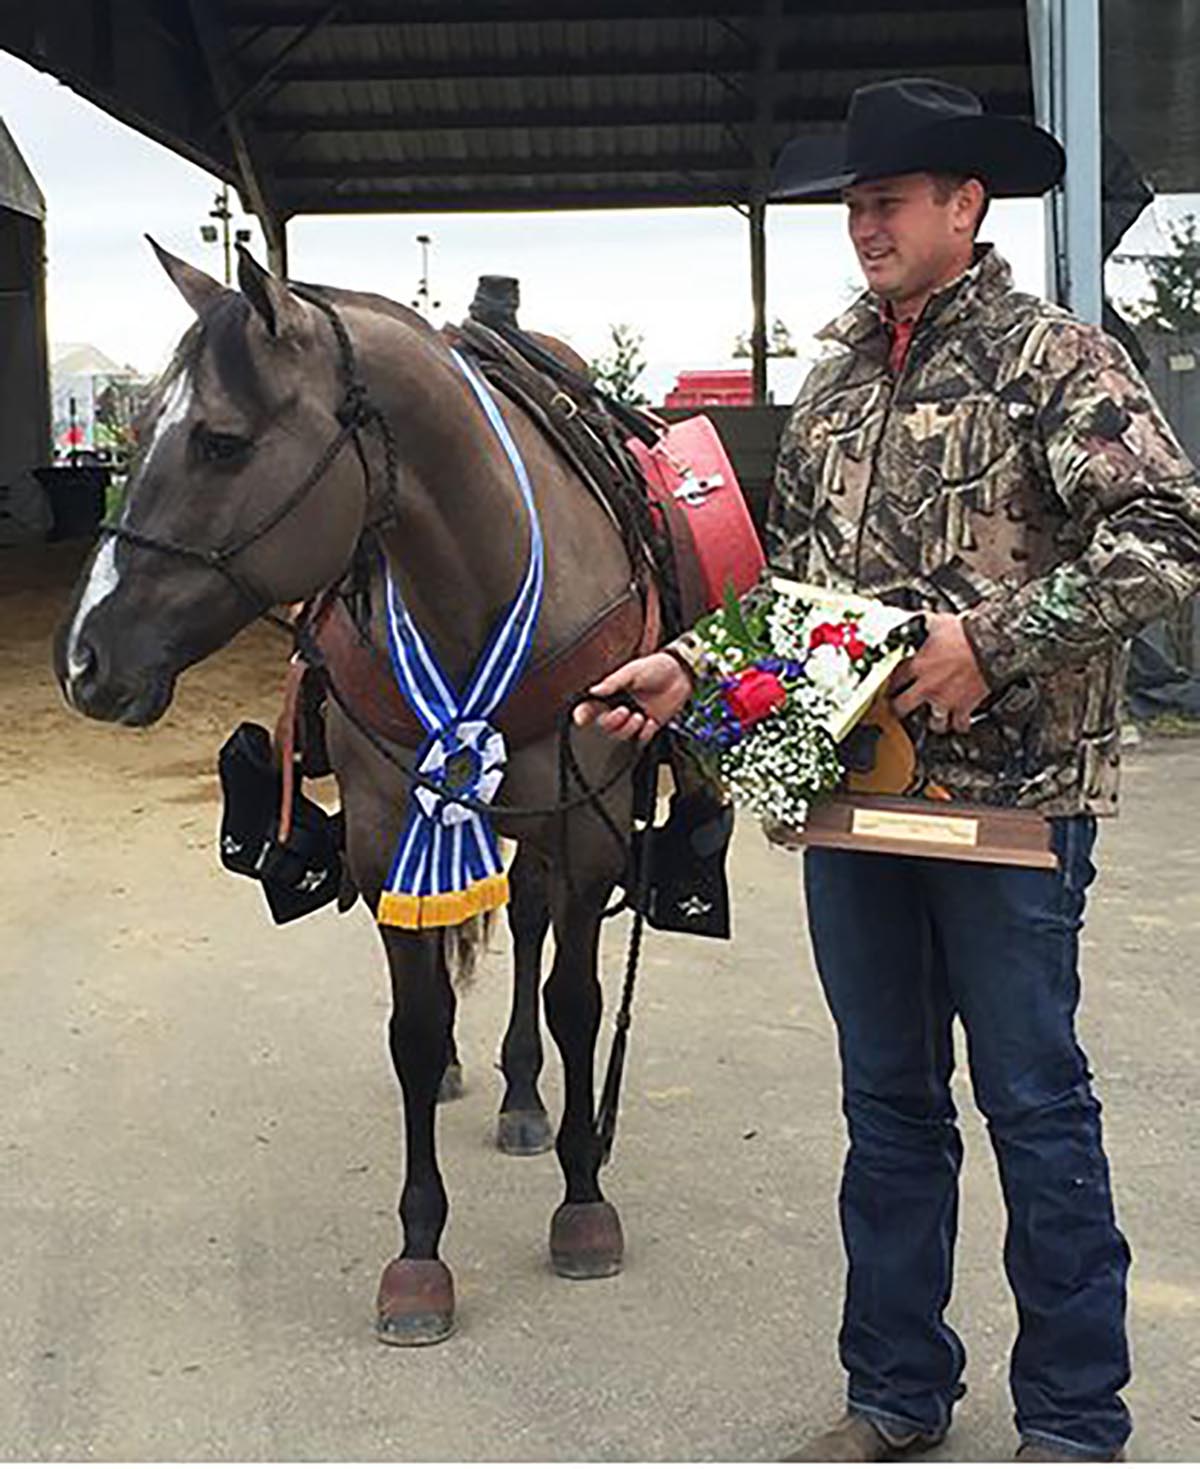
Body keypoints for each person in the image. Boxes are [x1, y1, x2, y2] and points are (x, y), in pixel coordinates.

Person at [574, 78, 1200, 1462]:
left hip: (1012, 806)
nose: (864, 224)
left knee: (1034, 1098)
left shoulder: (1056, 361)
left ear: (966, 207)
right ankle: (898, 1389)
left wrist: (995, 639)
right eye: (853, 204)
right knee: (889, 1102)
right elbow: (803, 603)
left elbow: (1167, 530)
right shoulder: (840, 383)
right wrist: (694, 672)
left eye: (889, 200)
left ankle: (1075, 1417)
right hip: (859, 797)